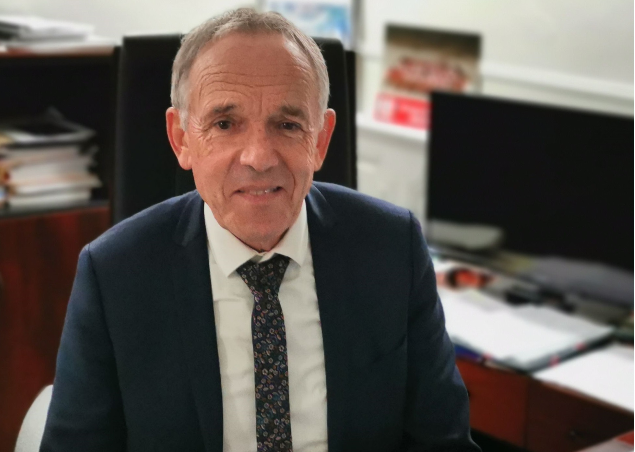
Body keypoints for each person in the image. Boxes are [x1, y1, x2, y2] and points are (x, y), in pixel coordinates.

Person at [41, 8, 479, 452]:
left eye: (287, 125)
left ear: (320, 140)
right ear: (181, 138)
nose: (259, 157)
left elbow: (443, 442)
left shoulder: (393, 249)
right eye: (225, 124)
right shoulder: (114, 274)